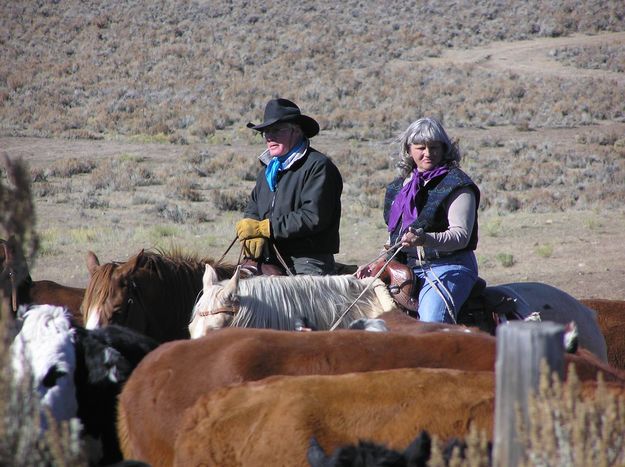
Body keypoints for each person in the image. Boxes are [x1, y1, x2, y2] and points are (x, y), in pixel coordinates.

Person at [358, 117, 480, 323]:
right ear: (408, 150)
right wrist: (378, 262)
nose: (428, 153)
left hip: (449, 266)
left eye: (434, 147)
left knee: (432, 321)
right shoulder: (397, 188)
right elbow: (393, 236)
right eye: (420, 147)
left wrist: (425, 240)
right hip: (405, 267)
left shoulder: (458, 184)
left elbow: (461, 236)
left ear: (444, 149)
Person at [235, 98, 343, 275]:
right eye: (266, 132)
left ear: (297, 131)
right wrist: (252, 226)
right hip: (269, 257)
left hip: (306, 259)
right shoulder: (267, 172)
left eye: (277, 130)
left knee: (306, 301)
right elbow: (253, 207)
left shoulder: (318, 167)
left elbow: (312, 217)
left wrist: (268, 228)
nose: (270, 137)